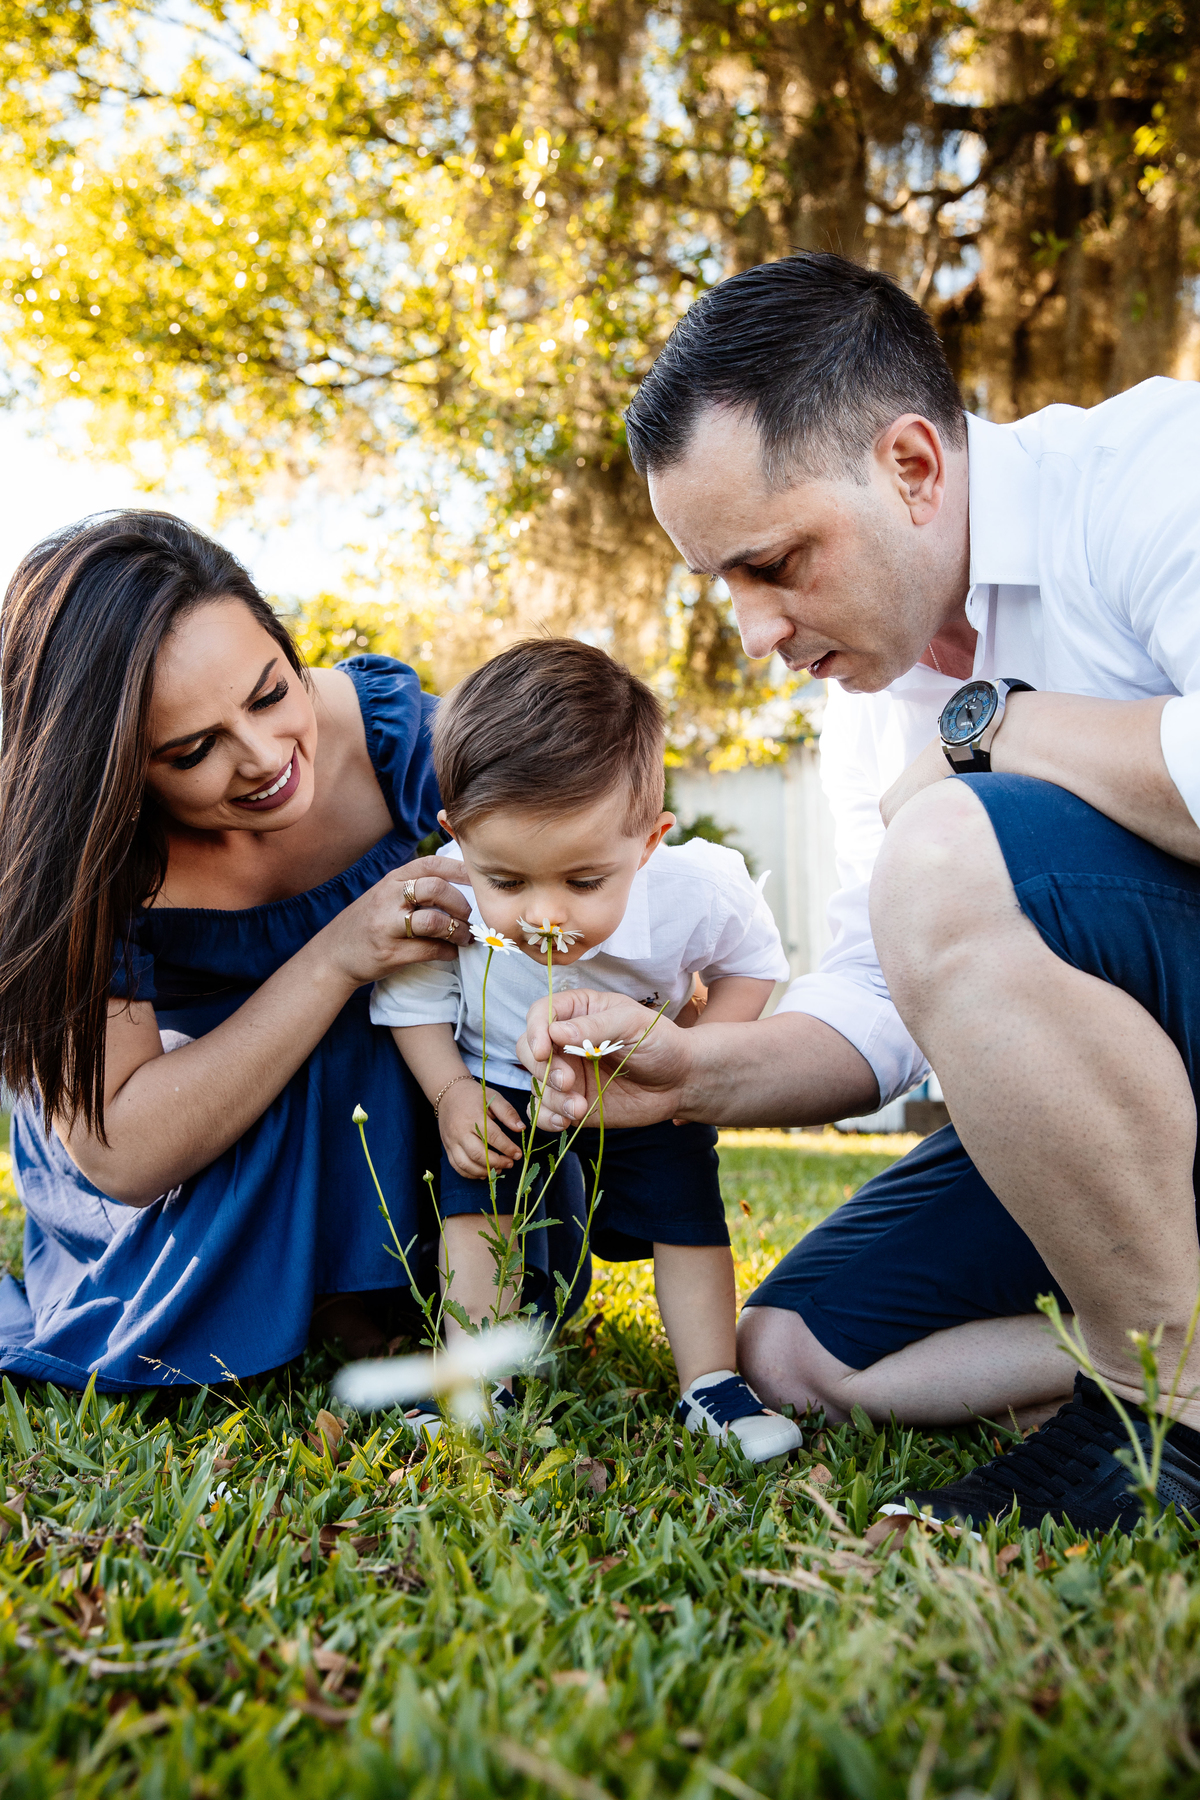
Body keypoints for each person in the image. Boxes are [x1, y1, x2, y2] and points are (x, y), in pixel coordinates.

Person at [518, 251, 1200, 1532]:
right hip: (1120, 1114)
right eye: (721, 581)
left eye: (773, 564)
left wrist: (989, 730)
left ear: (913, 467)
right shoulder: (868, 680)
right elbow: (889, 997)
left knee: (942, 843)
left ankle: (1173, 1401)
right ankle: (1157, 1327)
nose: (756, 632)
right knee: (791, 1354)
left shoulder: (1154, 471)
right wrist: (691, 1071)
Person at [0, 510, 475, 1392]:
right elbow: (124, 1154)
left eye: (269, 694)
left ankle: (412, 1285)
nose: (263, 758)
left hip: (398, 1111)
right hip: (185, 1139)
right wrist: (335, 956)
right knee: (331, 1009)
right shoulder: (70, 862)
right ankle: (326, 1306)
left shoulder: (405, 743)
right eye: (191, 751)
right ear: (110, 772)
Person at [369, 639, 800, 1459]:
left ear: (647, 842)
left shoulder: (695, 893)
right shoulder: (450, 889)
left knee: (686, 1216)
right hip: (500, 1077)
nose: (544, 915)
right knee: (480, 1208)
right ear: (459, 838)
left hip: (640, 1072)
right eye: (509, 881)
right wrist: (451, 1093)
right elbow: (412, 998)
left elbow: (754, 962)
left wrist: (695, 1058)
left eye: (583, 882)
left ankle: (710, 1381)